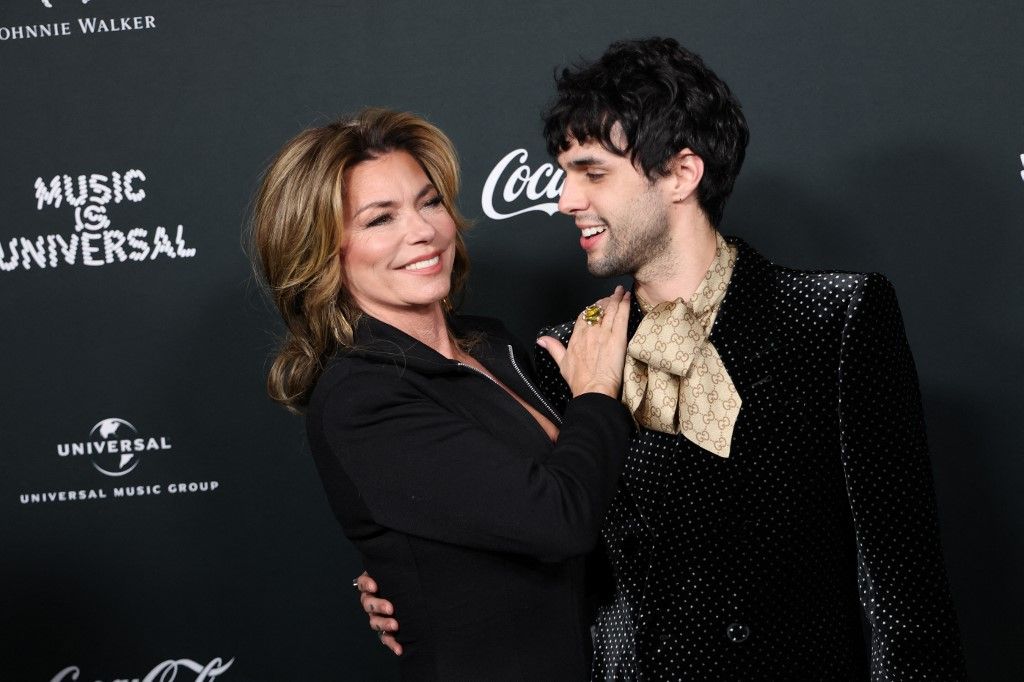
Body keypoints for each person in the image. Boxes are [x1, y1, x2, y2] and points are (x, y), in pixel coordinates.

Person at [358, 39, 968, 679]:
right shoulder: (563, 356)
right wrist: (407, 575)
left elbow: (902, 591)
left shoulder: (833, 318)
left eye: (592, 173)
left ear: (681, 173)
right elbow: (523, 525)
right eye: (564, 172)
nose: (565, 199)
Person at [251, 108, 636, 680]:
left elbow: (584, 484)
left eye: (428, 202)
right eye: (380, 219)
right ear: (324, 252)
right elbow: (560, 518)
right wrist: (598, 392)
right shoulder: (362, 398)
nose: (422, 231)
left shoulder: (493, 345)